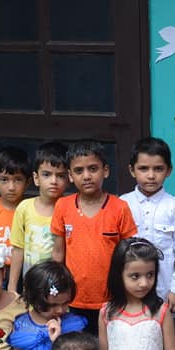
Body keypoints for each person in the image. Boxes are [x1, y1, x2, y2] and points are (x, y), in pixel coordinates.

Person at [51, 140, 137, 334]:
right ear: (70, 176)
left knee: (108, 347)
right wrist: (56, 289)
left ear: (105, 171)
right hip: (72, 300)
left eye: (93, 169)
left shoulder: (119, 207)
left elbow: (130, 255)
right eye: (79, 171)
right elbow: (57, 253)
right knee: (76, 347)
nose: (87, 176)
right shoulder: (63, 206)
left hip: (112, 299)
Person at [99, 238, 175, 350]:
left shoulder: (161, 311)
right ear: (119, 275)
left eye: (150, 275)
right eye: (135, 276)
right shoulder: (107, 312)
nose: (144, 283)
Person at [121, 137, 175, 313]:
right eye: (143, 168)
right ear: (132, 170)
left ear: (168, 171)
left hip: (164, 289)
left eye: (158, 169)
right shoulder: (123, 204)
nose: (151, 175)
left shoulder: (174, 206)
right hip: (128, 290)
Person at [8, 141, 69, 293]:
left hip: (60, 286)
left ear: (69, 178)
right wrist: (11, 287)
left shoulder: (70, 209)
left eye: (60, 176)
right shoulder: (24, 208)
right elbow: (18, 249)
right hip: (30, 285)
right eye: (46, 174)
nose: (53, 181)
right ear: (36, 178)